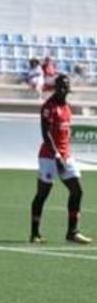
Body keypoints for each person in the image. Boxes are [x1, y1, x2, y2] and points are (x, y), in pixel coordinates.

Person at [30, 75, 91, 245]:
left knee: (77, 190)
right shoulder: (49, 107)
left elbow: (64, 135)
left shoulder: (67, 108)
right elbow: (46, 134)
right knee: (43, 193)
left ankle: (72, 232)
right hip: (49, 156)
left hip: (66, 156)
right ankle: (35, 233)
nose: (64, 91)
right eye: (61, 88)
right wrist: (56, 155)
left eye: (66, 88)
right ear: (56, 88)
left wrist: (65, 154)